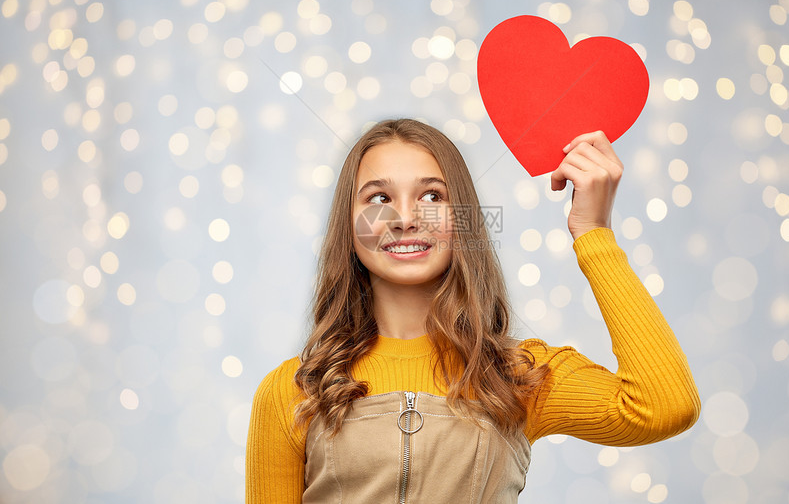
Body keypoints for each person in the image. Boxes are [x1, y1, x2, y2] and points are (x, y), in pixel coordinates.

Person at [245, 118, 700, 503]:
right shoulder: (292, 392)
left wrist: (593, 232)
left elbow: (666, 406)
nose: (405, 218)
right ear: (348, 225)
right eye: (379, 199)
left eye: (432, 196)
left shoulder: (520, 377)